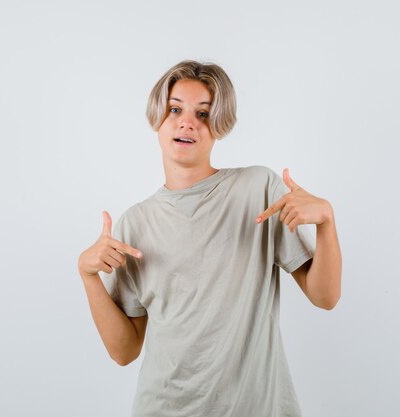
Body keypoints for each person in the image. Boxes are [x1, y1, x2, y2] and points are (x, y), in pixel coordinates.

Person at [77, 60, 342, 417]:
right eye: (175, 109)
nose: (187, 122)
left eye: (203, 114)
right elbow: (124, 351)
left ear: (219, 125)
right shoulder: (134, 224)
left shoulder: (258, 190)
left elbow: (325, 296)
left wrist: (326, 221)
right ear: (158, 118)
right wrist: (88, 275)